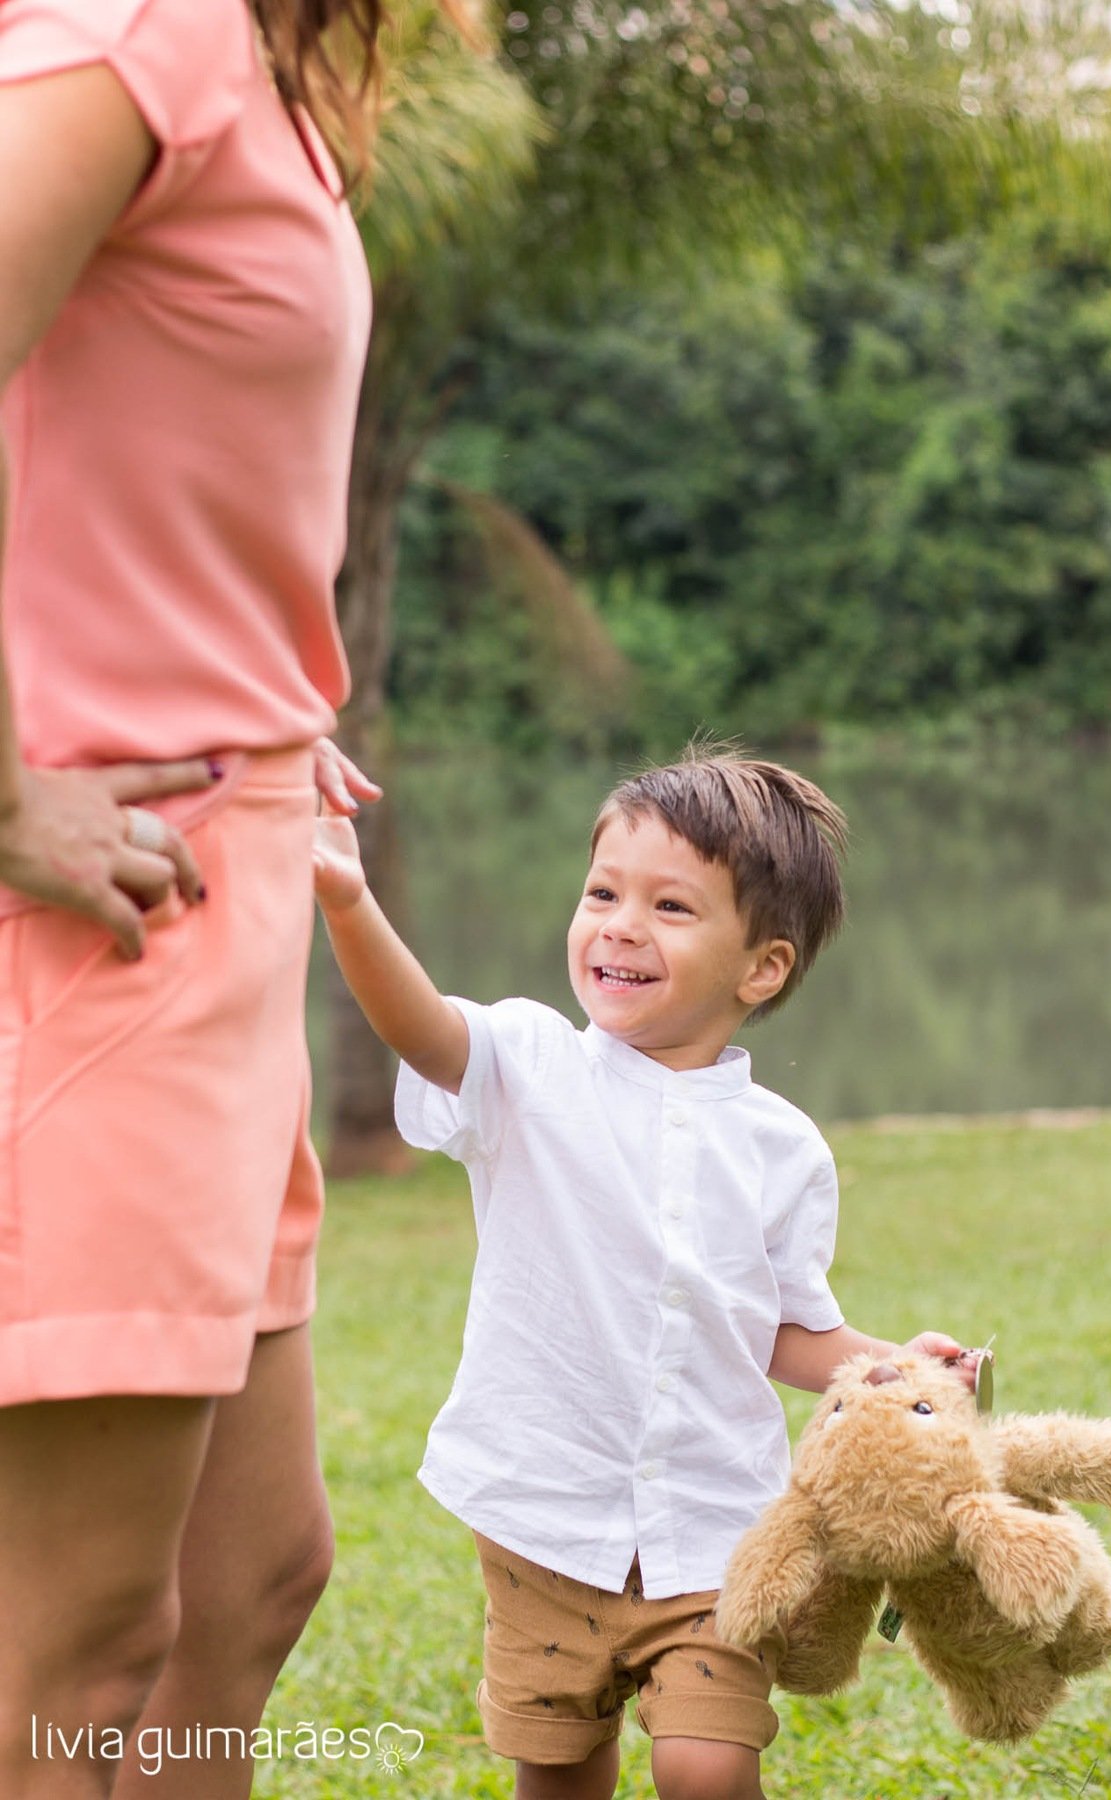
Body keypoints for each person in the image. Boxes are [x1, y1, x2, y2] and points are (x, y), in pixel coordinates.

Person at [313, 744, 983, 1800]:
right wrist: (348, 900)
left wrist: (898, 1368)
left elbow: (779, 1331)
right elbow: (423, 1028)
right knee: (560, 1768)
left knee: (707, 1768)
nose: (619, 924)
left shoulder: (783, 1148)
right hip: (547, 1513)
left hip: (718, 1527)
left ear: (761, 967)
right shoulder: (531, 1067)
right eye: (602, 893)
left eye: (671, 907)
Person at [0, 2, 385, 1794]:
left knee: (248, 1580)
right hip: (109, 933)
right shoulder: (134, 25)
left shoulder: (262, 58)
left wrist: (269, 715)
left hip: (230, 896)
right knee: (78, 1639)